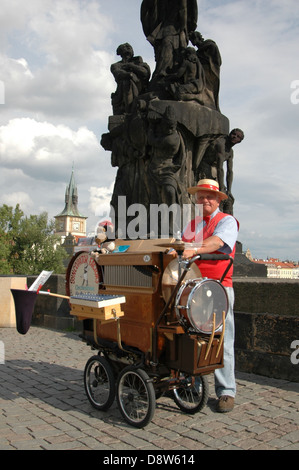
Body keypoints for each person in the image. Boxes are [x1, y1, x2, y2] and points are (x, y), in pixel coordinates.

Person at [181, 178, 239, 412]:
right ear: (196, 199)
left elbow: (216, 243)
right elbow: (180, 246)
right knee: (192, 336)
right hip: (192, 286)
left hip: (217, 286)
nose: (205, 199)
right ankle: (193, 384)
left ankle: (226, 391)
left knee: (221, 338)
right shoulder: (192, 224)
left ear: (218, 200)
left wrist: (192, 249)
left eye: (210, 196)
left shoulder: (227, 221)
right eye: (201, 195)